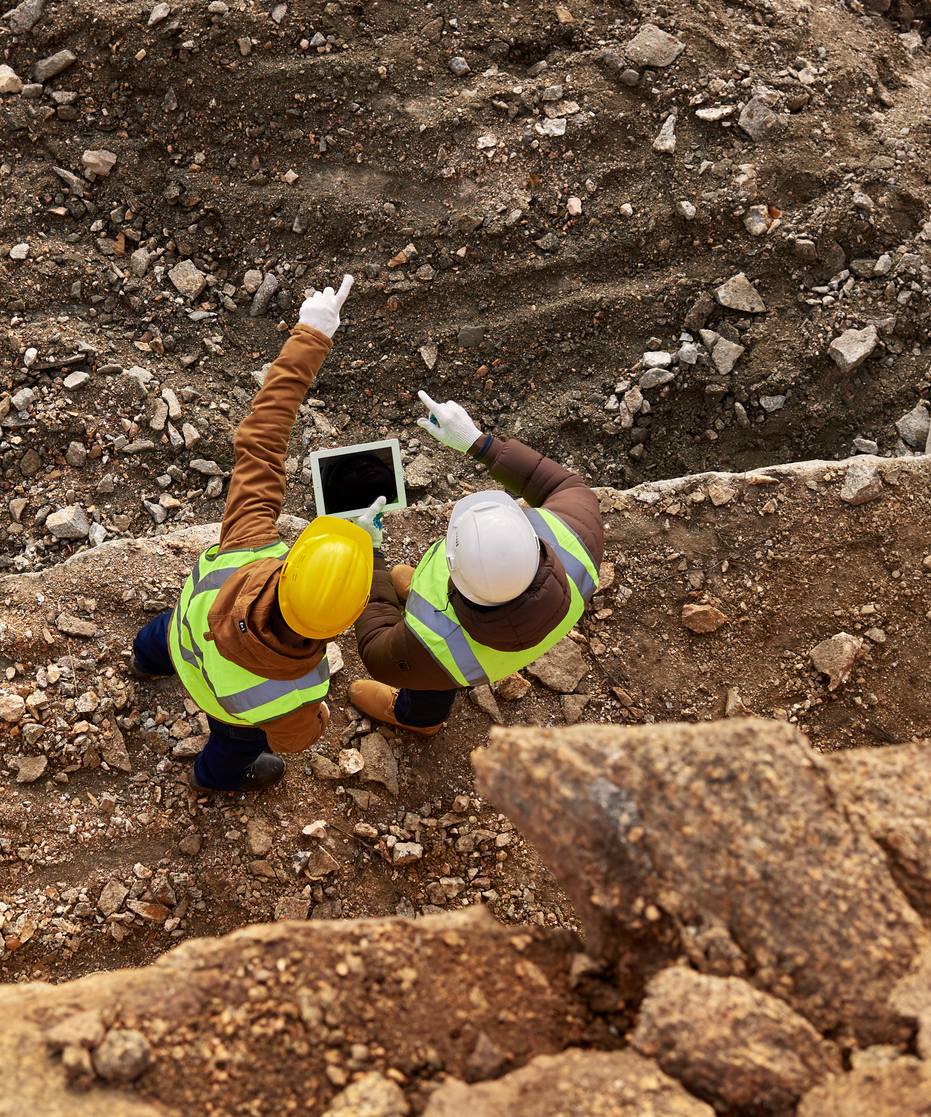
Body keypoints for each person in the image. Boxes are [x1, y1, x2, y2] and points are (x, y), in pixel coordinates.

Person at [130, 274, 373, 791]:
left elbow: (261, 437)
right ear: (340, 627)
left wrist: (312, 334)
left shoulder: (249, 543)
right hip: (227, 709)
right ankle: (212, 780)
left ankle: (146, 663)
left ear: (292, 564)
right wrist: (321, 721)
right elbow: (294, 738)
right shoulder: (306, 686)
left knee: (158, 638)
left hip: (183, 639)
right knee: (234, 749)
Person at [352, 391, 604, 735]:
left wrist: (371, 555)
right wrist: (478, 442)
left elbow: (375, 647)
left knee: (431, 681)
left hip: (444, 657)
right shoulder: (577, 541)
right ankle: (417, 600)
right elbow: (562, 484)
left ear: (451, 572)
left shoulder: (435, 645)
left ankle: (419, 719)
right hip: (526, 626)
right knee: (434, 662)